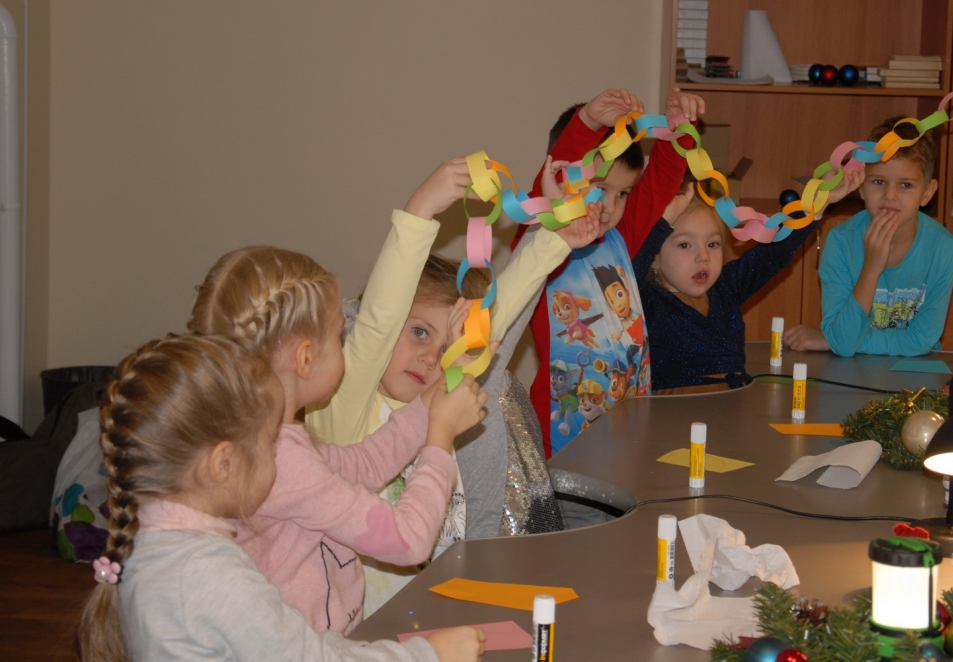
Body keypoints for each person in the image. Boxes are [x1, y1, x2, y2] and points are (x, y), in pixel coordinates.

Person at [306, 158, 601, 616]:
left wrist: (555, 240)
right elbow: (378, 326)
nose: (431, 357)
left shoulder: (437, 403)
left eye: (446, 346)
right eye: (419, 332)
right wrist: (420, 211)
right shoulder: (343, 410)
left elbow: (491, 326)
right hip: (363, 632)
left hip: (432, 616)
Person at [75, 333, 483, 662]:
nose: (281, 452)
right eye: (271, 439)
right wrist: (428, 655)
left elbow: (295, 644)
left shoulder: (159, 545)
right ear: (223, 464)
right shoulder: (206, 573)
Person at [188, 243, 487, 635]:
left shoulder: (274, 441)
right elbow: (408, 540)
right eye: (338, 334)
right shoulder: (279, 462)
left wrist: (438, 393)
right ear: (306, 358)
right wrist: (440, 437)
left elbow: (364, 464)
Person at [511, 86, 704, 456]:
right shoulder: (542, 239)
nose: (611, 206)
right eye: (600, 189)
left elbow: (658, 185)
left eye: (623, 193)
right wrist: (586, 122)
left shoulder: (620, 238)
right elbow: (555, 184)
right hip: (561, 437)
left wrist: (678, 125)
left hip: (630, 433)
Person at [637, 164, 861, 391]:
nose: (703, 256)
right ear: (654, 257)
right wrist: (659, 227)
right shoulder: (645, 300)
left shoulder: (726, 287)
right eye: (685, 245)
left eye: (712, 244)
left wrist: (820, 199)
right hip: (674, 409)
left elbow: (772, 254)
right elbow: (631, 268)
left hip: (733, 404)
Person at [785, 116, 953, 357]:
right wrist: (871, 269)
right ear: (861, 187)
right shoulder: (841, 242)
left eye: (906, 185)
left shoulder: (943, 247)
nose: (890, 195)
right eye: (878, 181)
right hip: (851, 370)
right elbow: (843, 342)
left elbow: (921, 340)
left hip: (917, 371)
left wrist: (835, 341)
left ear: (927, 192)